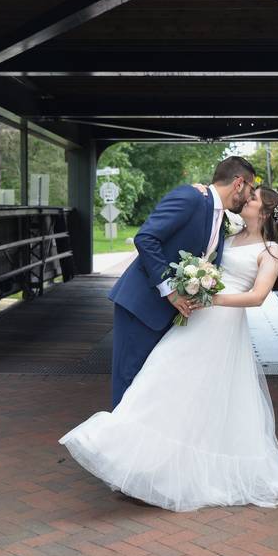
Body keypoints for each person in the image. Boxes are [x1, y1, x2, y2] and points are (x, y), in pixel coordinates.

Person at [58, 186, 278, 512]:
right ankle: (143, 463)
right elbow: (211, 217)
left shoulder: (271, 250)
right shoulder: (229, 234)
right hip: (196, 319)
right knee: (159, 377)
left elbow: (256, 297)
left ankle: (178, 471)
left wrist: (211, 298)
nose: (247, 199)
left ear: (267, 211)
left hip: (222, 327)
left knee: (197, 393)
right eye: (248, 193)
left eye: (254, 198)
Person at [105, 155, 258, 410]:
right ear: (239, 183)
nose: (250, 196)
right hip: (141, 306)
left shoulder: (219, 217)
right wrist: (170, 291)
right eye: (251, 189)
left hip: (168, 316)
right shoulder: (191, 198)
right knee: (129, 382)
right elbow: (146, 238)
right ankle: (111, 447)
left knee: (150, 385)